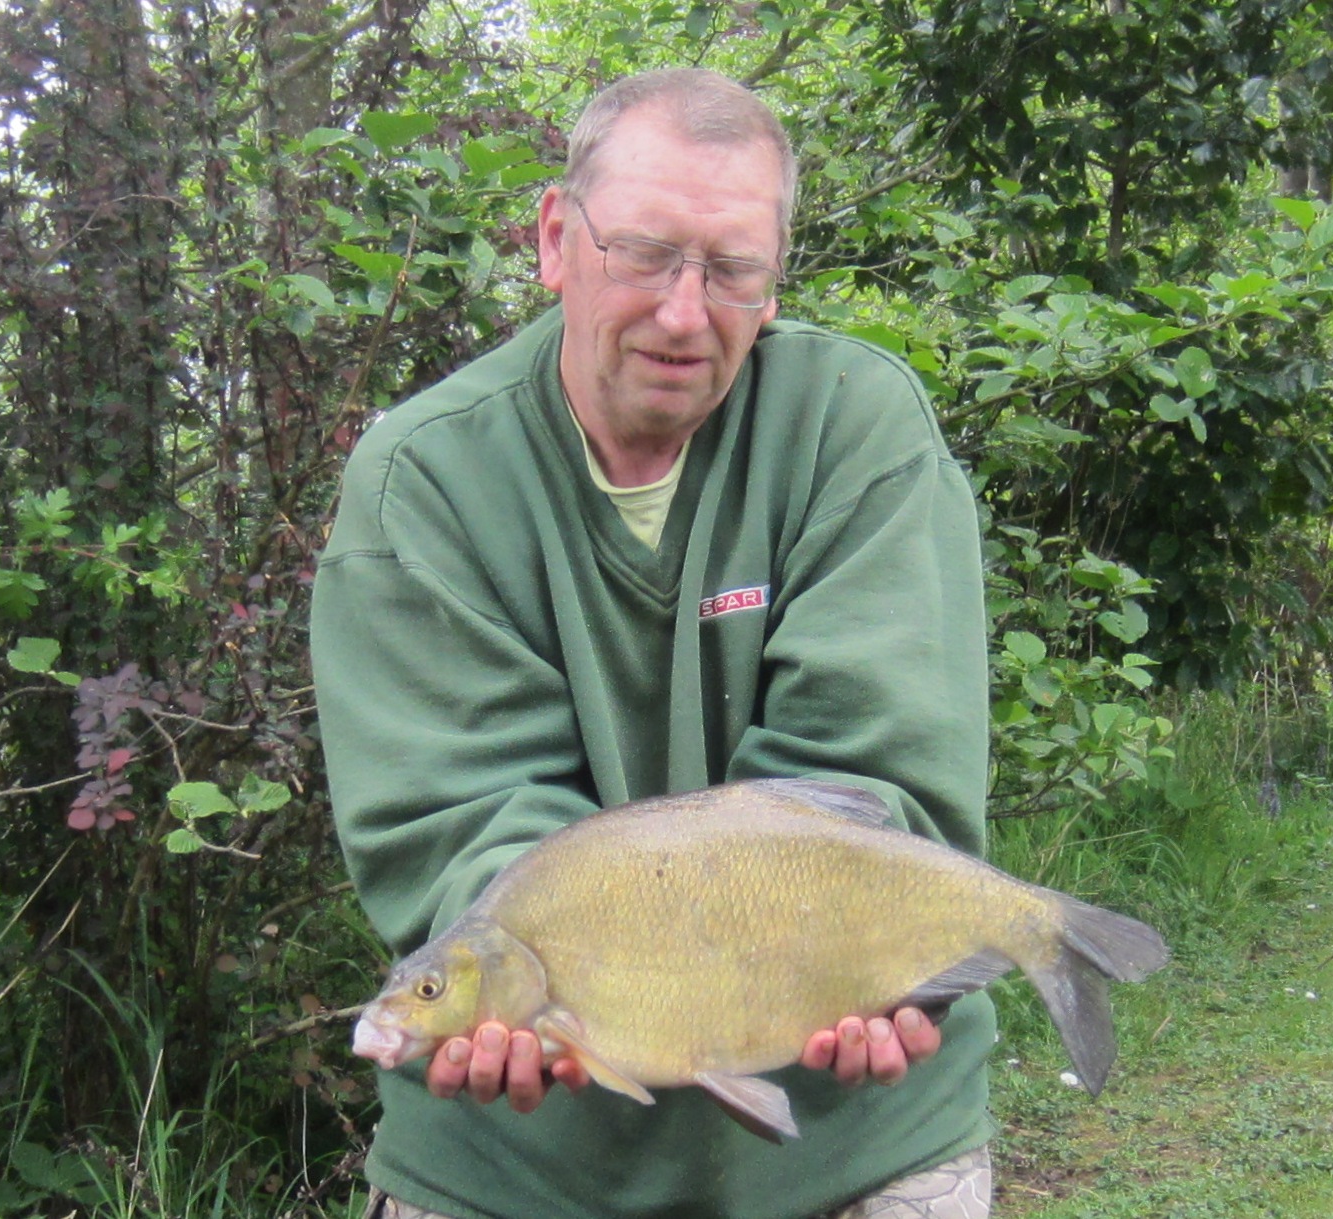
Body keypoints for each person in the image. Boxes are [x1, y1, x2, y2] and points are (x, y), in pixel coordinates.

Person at [312, 67, 996, 1219]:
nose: (686, 313)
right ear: (553, 239)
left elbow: (877, 789)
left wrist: (888, 968)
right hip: (514, 1159)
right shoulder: (420, 481)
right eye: (643, 253)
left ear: (775, 283)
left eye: (732, 270)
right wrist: (529, 985)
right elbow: (463, 830)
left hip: (854, 1132)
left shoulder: (860, 429)